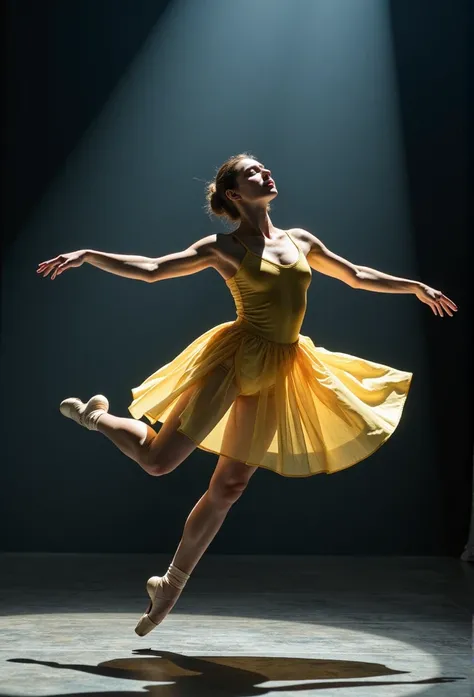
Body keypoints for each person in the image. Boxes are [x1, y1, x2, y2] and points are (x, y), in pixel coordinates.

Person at [37, 152, 458, 636]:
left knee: (229, 488)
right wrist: (90, 255)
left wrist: (415, 287)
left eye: (265, 167)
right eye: (252, 172)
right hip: (235, 361)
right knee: (158, 461)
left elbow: (357, 274)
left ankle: (169, 585)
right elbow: (152, 268)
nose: (266, 173)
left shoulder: (300, 240)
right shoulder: (223, 247)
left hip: (283, 367)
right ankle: (95, 417)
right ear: (234, 194)